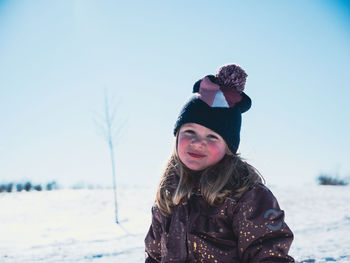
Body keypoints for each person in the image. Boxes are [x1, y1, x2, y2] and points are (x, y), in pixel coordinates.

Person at [144, 64, 294, 263]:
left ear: (228, 148)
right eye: (189, 132)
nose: (198, 143)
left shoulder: (247, 196)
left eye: (212, 137)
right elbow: (154, 256)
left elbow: (268, 253)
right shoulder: (169, 194)